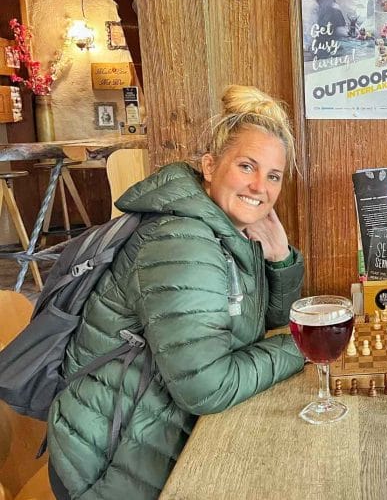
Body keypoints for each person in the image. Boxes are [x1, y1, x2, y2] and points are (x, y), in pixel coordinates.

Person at [46, 85, 306, 500]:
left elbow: (270, 321)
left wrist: (279, 258)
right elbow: (207, 387)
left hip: (154, 435)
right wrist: (307, 345)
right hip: (108, 463)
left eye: (273, 175)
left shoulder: (224, 231)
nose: (261, 186)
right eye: (246, 166)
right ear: (209, 166)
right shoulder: (183, 240)